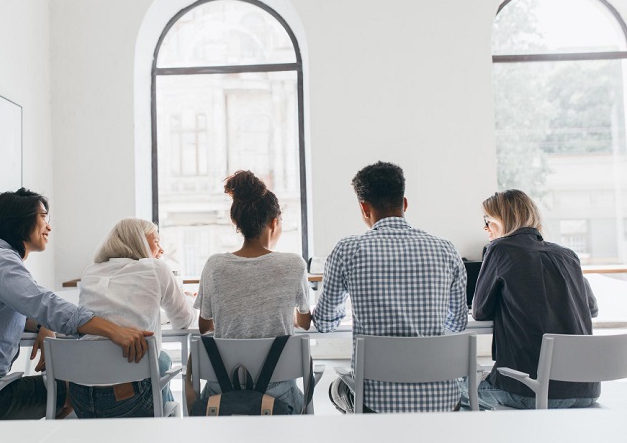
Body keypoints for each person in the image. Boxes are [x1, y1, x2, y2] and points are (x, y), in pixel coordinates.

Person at [0, 188, 153, 420]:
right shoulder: (1, 262)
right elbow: (46, 304)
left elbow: (6, 313)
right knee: (70, 387)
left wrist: (42, 326)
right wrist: (115, 330)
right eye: (43, 216)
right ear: (20, 221)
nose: (49, 226)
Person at [313, 161, 468, 413]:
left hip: (377, 405)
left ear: (364, 207)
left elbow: (324, 323)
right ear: (404, 203)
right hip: (442, 402)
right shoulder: (445, 249)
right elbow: (456, 324)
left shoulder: (348, 250)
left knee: (333, 390)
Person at [469, 189, 599, 409]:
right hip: (585, 390)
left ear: (503, 219)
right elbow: (592, 309)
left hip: (530, 391)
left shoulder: (499, 249)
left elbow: (480, 311)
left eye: (488, 220)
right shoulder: (567, 255)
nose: (485, 227)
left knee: (456, 386)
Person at [193, 170, 311, 412]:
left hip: (221, 394)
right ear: (274, 222)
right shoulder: (294, 264)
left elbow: (205, 327)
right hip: (278, 396)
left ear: (237, 223)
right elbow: (305, 322)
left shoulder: (214, 265)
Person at [70, 218, 196, 418]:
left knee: (159, 361)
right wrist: (187, 299)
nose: (161, 249)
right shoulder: (155, 268)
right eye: (156, 241)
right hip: (127, 400)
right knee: (161, 360)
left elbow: (119, 313)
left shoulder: (91, 271)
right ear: (140, 241)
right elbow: (183, 320)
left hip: (80, 398)